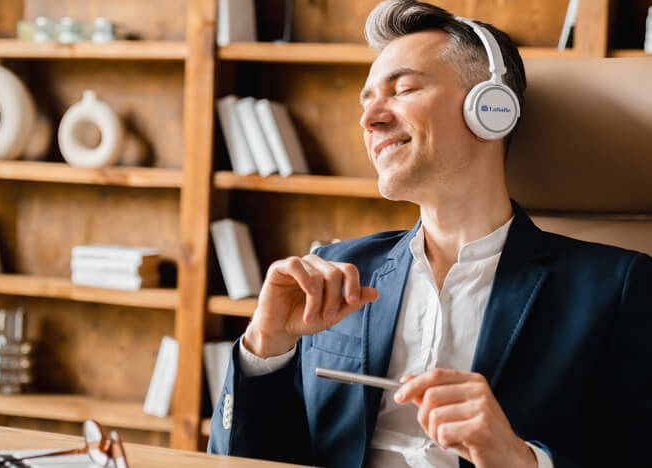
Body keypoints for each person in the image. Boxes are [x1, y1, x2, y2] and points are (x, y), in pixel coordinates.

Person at [207, 1, 652, 467]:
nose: (370, 119)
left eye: (403, 90)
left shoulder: (614, 288)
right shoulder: (334, 273)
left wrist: (521, 461)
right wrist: (265, 349)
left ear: (491, 108)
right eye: (366, 99)